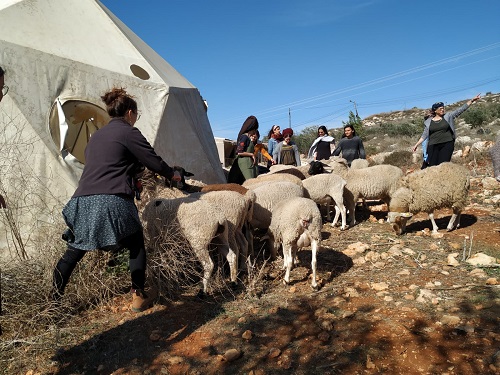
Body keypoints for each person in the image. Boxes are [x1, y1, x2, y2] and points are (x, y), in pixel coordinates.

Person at [52, 87, 181, 312]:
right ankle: (138, 295)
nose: (135, 119)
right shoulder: (129, 132)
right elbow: (153, 161)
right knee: (136, 244)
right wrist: (172, 174)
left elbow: (111, 164)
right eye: (136, 115)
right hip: (112, 200)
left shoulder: (97, 136)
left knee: (74, 252)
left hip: (83, 200)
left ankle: (52, 301)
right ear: (130, 113)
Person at [413, 94, 481, 167]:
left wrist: (471, 100)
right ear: (435, 110)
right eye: (440, 109)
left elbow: (460, 110)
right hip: (433, 146)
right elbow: (424, 135)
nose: (442, 110)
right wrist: (416, 144)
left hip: (447, 144)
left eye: (443, 108)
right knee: (432, 166)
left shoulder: (448, 116)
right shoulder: (429, 121)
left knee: (443, 165)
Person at [227, 115, 259, 184]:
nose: (255, 131)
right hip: (244, 163)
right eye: (254, 129)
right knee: (251, 183)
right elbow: (239, 152)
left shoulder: (248, 139)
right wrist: (251, 154)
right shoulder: (244, 137)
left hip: (248, 163)